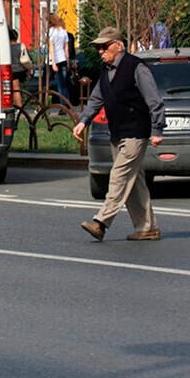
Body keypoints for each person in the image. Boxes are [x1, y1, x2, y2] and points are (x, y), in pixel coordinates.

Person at [72, 27, 165, 241]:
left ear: (118, 45)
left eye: (104, 46)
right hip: (117, 132)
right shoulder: (106, 70)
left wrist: (157, 129)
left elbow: (154, 99)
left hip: (136, 131)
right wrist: (83, 121)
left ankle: (101, 223)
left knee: (119, 176)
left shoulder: (136, 67)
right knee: (134, 182)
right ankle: (147, 227)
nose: (100, 51)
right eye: (98, 48)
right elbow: (96, 98)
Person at [47, 14, 70, 104]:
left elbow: (51, 47)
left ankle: (62, 105)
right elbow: (66, 48)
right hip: (63, 59)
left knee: (58, 85)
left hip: (55, 59)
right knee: (64, 84)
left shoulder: (51, 32)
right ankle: (67, 103)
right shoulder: (63, 31)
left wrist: (53, 62)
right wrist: (67, 62)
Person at [8, 28, 31, 108]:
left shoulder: (6, 48)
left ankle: (19, 106)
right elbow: (28, 58)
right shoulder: (21, 46)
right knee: (16, 89)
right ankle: (16, 105)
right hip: (21, 70)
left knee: (15, 89)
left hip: (13, 71)